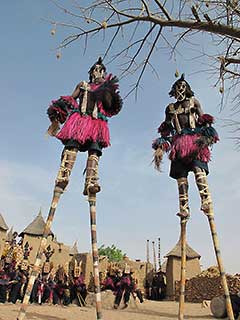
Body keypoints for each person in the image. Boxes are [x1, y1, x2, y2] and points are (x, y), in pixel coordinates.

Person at [47, 57, 122, 197]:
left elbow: (110, 105)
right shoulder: (83, 85)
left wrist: (107, 89)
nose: (97, 72)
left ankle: (91, 181)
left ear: (104, 73)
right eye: (95, 70)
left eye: (101, 70)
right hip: (79, 121)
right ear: (91, 72)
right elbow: (70, 99)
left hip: (96, 123)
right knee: (72, 146)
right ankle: (64, 174)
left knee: (94, 150)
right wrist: (58, 113)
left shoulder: (106, 87)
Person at [152, 74, 219, 218]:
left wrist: (206, 137)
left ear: (187, 89)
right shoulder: (170, 108)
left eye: (182, 87)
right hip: (178, 145)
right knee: (181, 177)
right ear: (173, 91)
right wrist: (161, 146)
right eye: (177, 88)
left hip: (194, 143)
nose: (180, 90)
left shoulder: (194, 102)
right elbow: (166, 129)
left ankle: (205, 200)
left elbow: (205, 122)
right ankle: (184, 208)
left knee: (197, 169)